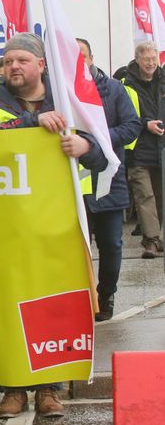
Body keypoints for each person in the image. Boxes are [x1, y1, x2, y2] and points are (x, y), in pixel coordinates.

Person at [0, 33, 108, 419]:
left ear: (41, 65)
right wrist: (32, 120)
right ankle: (13, 388)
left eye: (22, 61)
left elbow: (104, 152)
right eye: (8, 60)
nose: (14, 66)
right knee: (10, 300)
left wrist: (87, 148)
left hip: (59, 220)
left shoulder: (69, 101)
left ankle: (50, 388)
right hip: (7, 220)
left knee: (56, 305)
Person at [77, 39, 140, 321]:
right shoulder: (56, 91)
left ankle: (106, 294)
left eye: (82, 56)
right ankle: (82, 297)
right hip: (73, 184)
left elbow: (132, 126)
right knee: (78, 248)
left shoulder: (113, 90)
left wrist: (100, 140)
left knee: (112, 244)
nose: (78, 62)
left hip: (107, 179)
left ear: (92, 58)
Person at [120, 41, 165, 259]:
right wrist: (145, 123)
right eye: (146, 59)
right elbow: (123, 115)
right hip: (137, 149)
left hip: (161, 149)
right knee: (144, 195)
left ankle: (157, 237)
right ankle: (152, 241)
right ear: (137, 59)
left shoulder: (163, 80)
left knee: (160, 197)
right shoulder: (126, 84)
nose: (151, 63)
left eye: (153, 59)